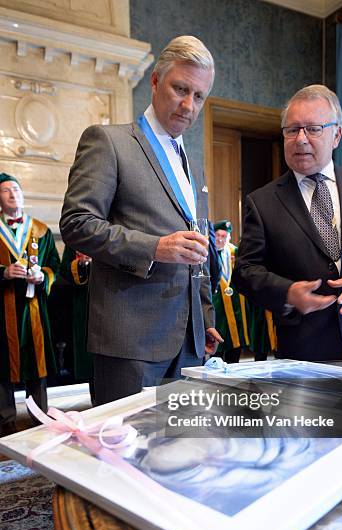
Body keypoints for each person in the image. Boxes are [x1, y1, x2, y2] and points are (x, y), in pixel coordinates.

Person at [60, 36, 222, 405]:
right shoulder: (108, 141)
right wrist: (154, 247)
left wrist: (204, 317)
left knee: (181, 449)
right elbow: (76, 222)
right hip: (129, 340)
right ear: (154, 80)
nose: (188, 105)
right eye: (180, 88)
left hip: (190, 341)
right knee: (123, 457)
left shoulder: (193, 168)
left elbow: (198, 251)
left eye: (199, 96)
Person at [233, 85, 342, 361]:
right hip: (305, 351)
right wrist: (287, 293)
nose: (301, 139)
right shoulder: (262, 202)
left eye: (313, 129)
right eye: (292, 130)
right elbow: (245, 271)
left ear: (336, 134)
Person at [0, 173, 60, 436]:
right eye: (5, 190)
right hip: (3, 308)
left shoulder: (41, 230)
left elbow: (55, 267)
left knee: (38, 361)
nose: (13, 194)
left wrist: (42, 275)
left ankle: (39, 413)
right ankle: (5, 418)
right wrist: (3, 272)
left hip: (34, 306)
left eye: (16, 189)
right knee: (2, 361)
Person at [59, 246, 95, 403]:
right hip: (86, 303)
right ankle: (96, 405)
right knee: (91, 362)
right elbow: (64, 269)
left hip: (117, 300)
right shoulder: (78, 234)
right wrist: (81, 265)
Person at [213, 220, 249, 363]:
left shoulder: (235, 252)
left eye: (224, 236)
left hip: (235, 306)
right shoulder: (208, 252)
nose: (221, 239)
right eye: (217, 235)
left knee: (235, 340)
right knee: (218, 342)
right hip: (217, 305)